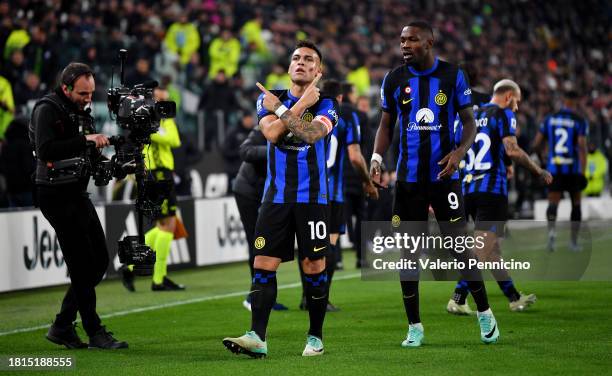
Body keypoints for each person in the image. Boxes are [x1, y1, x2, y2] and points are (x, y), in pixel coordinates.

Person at [370, 21, 499, 347]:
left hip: (444, 179)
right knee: (409, 254)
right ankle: (414, 326)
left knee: (460, 249)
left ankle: (485, 314)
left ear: (429, 42)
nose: (404, 45)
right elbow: (386, 125)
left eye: (412, 39)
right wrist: (376, 157)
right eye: (401, 40)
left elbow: (469, 122)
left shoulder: (453, 75)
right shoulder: (394, 79)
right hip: (409, 182)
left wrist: (459, 152)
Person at [223, 40, 338, 358]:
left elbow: (312, 135)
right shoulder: (267, 98)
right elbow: (272, 135)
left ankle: (315, 337)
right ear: (289, 68)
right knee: (263, 264)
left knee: (313, 264)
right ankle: (257, 337)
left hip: (312, 197)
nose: (301, 62)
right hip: (274, 197)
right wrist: (295, 106)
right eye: (296, 58)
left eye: (309, 60)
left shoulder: (328, 105)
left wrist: (283, 111)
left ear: (318, 70)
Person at [30, 62, 127, 349]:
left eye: (90, 94)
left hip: (76, 192)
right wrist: (86, 139)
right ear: (66, 87)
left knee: (97, 261)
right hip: (54, 194)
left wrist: (116, 165)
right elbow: (45, 149)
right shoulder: (47, 109)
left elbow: (91, 155)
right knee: (83, 265)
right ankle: (94, 330)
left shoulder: (79, 111)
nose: (88, 99)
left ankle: (62, 325)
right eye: (83, 94)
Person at [446, 79, 552, 315]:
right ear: (508, 97)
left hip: (466, 189)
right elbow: (511, 149)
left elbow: (456, 151)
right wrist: (538, 170)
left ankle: (513, 297)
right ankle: (458, 297)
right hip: (491, 191)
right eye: (517, 102)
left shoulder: (466, 118)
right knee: (484, 249)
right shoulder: (503, 114)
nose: (516, 108)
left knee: (491, 250)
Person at [120, 87, 186, 292]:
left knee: (164, 225)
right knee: (168, 225)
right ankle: (156, 278)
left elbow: (174, 139)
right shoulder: (147, 117)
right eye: (160, 93)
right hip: (156, 173)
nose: (165, 95)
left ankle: (136, 268)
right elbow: (171, 139)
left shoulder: (162, 117)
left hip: (161, 173)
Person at [233, 125, 289, 312]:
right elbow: (245, 151)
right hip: (248, 191)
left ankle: (263, 297)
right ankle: (254, 297)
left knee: (266, 244)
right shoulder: (264, 126)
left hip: (267, 193)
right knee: (257, 242)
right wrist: (275, 150)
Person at [533, 90, 588, 252]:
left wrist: (542, 161)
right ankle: (573, 242)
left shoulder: (550, 119)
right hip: (572, 170)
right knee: (576, 204)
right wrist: (583, 173)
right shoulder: (579, 121)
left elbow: (536, 144)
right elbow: (582, 148)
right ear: (576, 102)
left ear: (564, 100)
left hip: (554, 169)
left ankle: (551, 238)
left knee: (553, 203)